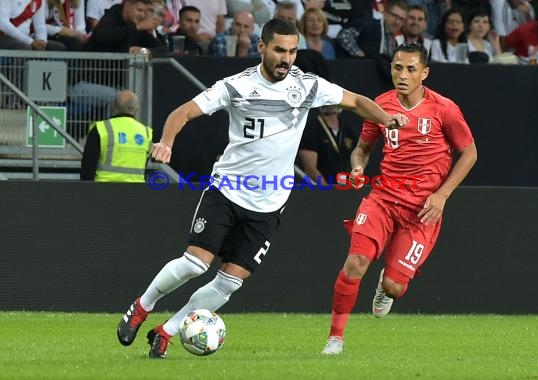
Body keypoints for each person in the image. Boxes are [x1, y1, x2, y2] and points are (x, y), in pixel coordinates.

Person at [116, 18, 408, 359]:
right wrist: (166, 142)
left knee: (229, 283)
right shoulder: (236, 86)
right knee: (196, 264)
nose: (287, 58)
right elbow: (183, 113)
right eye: (280, 50)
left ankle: (167, 331)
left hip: (270, 203)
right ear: (262, 48)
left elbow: (357, 101)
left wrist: (386, 118)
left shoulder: (307, 86)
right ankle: (142, 306)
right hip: (226, 191)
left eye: (293, 51)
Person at [321, 42, 477, 355]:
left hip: (422, 211)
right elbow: (362, 148)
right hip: (382, 199)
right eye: (397, 67)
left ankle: (386, 286)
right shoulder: (379, 105)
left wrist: (442, 195)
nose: (402, 74)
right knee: (355, 263)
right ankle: (335, 337)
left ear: (424, 73)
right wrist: (357, 165)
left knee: (395, 286)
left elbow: (470, 153)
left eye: (410, 69)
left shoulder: (443, 109)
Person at [80, 90, 153, 182]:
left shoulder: (101, 129)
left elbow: (88, 167)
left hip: (103, 191)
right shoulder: (146, 133)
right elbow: (144, 164)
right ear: (136, 109)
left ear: (113, 107)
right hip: (135, 192)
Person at [298, 105, 357, 184]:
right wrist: (327, 191)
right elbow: (310, 169)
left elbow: (356, 163)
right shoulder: (311, 129)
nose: (331, 104)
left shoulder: (347, 131)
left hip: (347, 188)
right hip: (321, 191)